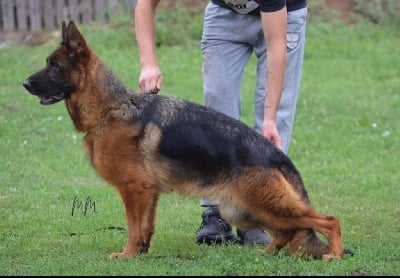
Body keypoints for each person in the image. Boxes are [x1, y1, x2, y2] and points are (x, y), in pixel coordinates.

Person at [134, 0, 308, 246]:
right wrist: (148, 62)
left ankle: (256, 214)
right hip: (224, 16)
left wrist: (269, 118)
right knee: (216, 112)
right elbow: (145, 4)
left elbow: (277, 46)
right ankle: (217, 212)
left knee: (274, 117)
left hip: (284, 15)